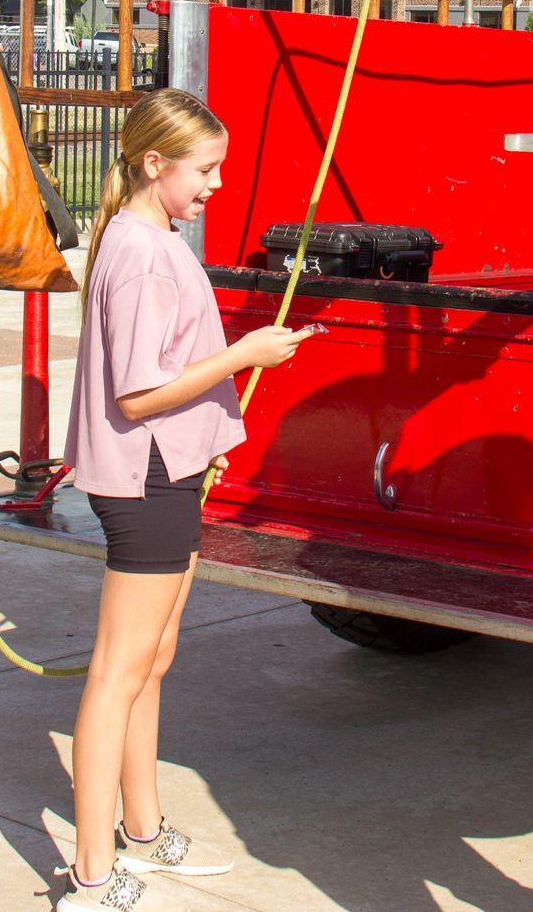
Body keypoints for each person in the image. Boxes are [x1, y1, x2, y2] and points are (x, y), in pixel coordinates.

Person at [59, 88, 310, 911]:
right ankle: (92, 872)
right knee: (119, 671)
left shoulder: (147, 238)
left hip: (166, 471)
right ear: (153, 162)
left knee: (151, 659)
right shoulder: (140, 253)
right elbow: (138, 393)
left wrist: (216, 406)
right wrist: (246, 352)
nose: (217, 185)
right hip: (147, 476)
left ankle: (141, 829)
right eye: (205, 169)